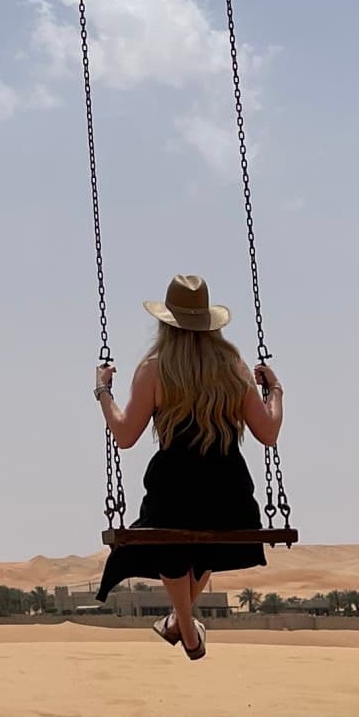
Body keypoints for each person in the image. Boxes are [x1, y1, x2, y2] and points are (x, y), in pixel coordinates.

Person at [93, 272, 284, 662]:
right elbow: (268, 432)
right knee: (207, 542)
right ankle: (183, 625)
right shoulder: (234, 368)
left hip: (172, 489)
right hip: (228, 492)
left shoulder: (155, 369)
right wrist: (275, 391)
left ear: (167, 323)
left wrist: (103, 392)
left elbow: (125, 434)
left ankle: (183, 627)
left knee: (171, 539)